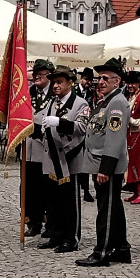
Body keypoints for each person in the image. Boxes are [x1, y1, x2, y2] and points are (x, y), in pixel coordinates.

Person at [74, 57, 132, 267]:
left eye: (106, 78)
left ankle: (103, 251)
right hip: (99, 162)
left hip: (107, 165)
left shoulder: (116, 102)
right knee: (113, 208)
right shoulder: (106, 100)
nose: (100, 82)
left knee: (106, 211)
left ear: (117, 81)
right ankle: (122, 248)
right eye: (99, 78)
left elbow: (115, 139)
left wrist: (105, 169)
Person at [36, 67, 89, 253]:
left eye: (60, 82)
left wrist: (60, 123)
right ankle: (56, 235)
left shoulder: (80, 103)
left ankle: (70, 238)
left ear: (70, 83)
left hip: (69, 160)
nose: (56, 86)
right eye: (54, 82)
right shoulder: (52, 102)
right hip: (52, 160)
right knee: (53, 201)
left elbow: (82, 128)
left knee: (69, 202)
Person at [25, 59, 54, 237]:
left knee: (47, 188)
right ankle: (33, 222)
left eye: (39, 74)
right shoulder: (28, 92)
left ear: (48, 75)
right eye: (34, 74)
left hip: (46, 147)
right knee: (30, 188)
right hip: (29, 147)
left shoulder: (54, 93)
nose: (36, 77)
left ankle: (50, 223)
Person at [123, 70, 140, 204]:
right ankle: (136, 192)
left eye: (133, 83)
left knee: (139, 164)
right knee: (132, 164)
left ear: (139, 83)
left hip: (139, 136)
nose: (130, 86)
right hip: (130, 135)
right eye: (128, 83)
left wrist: (129, 120)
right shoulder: (129, 97)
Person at [74, 67, 96, 203]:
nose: (88, 82)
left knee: (85, 161)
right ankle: (75, 186)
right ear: (81, 79)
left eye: (90, 80)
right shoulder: (74, 91)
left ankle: (86, 189)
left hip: (87, 131)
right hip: (75, 129)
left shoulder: (92, 93)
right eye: (86, 79)